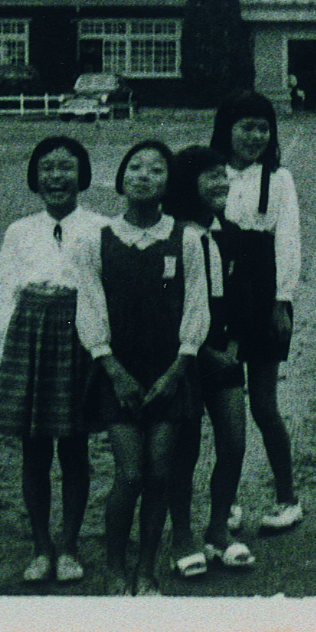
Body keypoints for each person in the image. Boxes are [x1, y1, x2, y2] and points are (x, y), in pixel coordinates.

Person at [0, 135, 110, 587]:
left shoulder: (100, 228)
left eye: (66, 167)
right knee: (34, 450)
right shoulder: (19, 231)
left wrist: (103, 348)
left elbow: (105, 293)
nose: (56, 177)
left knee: (74, 447)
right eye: (47, 168)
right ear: (35, 178)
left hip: (78, 336)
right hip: (31, 337)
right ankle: (40, 547)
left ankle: (69, 546)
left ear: (82, 176)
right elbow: (3, 289)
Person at [98, 139, 209, 596]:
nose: (144, 176)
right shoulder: (98, 237)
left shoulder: (188, 238)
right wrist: (112, 369)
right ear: (122, 177)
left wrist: (176, 371)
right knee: (129, 474)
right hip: (118, 373)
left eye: (156, 170)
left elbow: (198, 307)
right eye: (135, 167)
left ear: (169, 183)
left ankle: (146, 569)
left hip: (170, 373)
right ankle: (114, 568)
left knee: (160, 473)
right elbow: (89, 308)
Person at [210, 92, 304, 534]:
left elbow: (288, 240)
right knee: (224, 407)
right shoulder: (213, 175)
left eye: (263, 128)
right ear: (226, 129)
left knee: (265, 405)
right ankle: (226, 502)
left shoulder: (280, 179)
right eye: (246, 127)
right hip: (219, 289)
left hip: (263, 291)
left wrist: (282, 301)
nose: (255, 136)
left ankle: (287, 498)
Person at [163, 145, 253, 578]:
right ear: (187, 182)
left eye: (224, 175)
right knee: (185, 449)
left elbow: (240, 298)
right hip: (184, 355)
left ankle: (218, 529)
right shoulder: (171, 234)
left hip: (223, 354)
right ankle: (181, 536)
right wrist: (195, 350)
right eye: (210, 175)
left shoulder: (231, 233)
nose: (221, 183)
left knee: (234, 441)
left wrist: (232, 344)